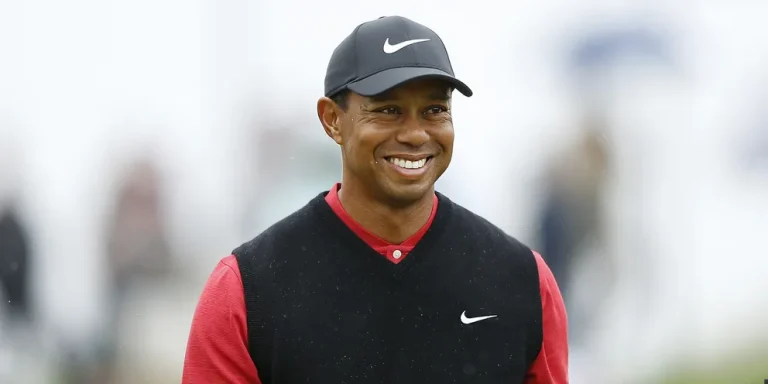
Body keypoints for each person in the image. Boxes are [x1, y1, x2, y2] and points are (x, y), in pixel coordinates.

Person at [183, 15, 568, 383]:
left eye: (435, 110)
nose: (416, 134)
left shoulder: (523, 282)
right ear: (332, 119)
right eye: (388, 111)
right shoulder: (247, 290)